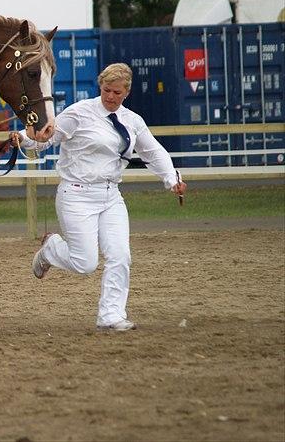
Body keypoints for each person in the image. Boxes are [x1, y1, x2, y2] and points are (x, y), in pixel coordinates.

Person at [10, 63, 187, 331]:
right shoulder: (80, 113)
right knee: (85, 263)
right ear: (100, 87)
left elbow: (153, 152)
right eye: (106, 90)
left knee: (120, 255)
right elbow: (48, 136)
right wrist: (23, 138)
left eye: (117, 92)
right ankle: (50, 249)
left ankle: (111, 315)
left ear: (126, 92)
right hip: (76, 195)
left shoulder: (132, 121)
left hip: (111, 196)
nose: (110, 97)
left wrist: (172, 179)